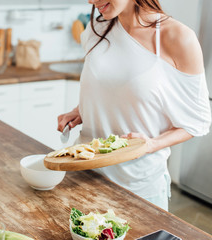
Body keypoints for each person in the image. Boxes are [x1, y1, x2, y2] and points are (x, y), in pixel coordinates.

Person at [57, 0, 211, 211]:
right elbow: (110, 87)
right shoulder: (97, 28)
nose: (91, 1)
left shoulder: (177, 37)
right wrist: (81, 109)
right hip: (85, 177)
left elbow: (198, 121)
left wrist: (150, 145)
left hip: (137, 188)